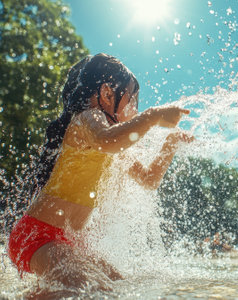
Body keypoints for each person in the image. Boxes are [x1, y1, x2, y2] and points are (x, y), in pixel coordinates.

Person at [7, 53, 193, 290]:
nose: (136, 110)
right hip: (37, 236)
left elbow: (148, 179)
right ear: (107, 94)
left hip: (70, 242)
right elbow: (107, 141)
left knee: (116, 286)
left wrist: (170, 145)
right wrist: (153, 116)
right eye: (133, 101)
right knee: (88, 291)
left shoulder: (115, 144)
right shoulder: (87, 119)